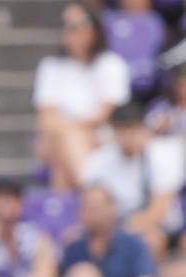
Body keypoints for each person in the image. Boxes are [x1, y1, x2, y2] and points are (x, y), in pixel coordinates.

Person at [34, 2, 130, 190]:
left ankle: (74, 202)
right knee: (64, 139)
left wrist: (72, 129)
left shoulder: (112, 64)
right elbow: (45, 115)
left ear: (94, 29)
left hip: (102, 134)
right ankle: (90, 193)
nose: (70, 32)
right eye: (66, 26)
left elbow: (105, 114)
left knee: (63, 154)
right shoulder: (51, 65)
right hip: (59, 135)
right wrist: (71, 130)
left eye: (77, 25)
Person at [79, 102, 185, 259]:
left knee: (150, 240)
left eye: (132, 129)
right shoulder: (98, 161)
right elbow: (88, 202)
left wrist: (121, 231)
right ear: (113, 131)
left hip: (153, 227)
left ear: (142, 129)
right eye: (122, 130)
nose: (128, 136)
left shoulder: (160, 156)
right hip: (110, 226)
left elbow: (159, 210)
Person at [59, 185, 157, 277]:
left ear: (112, 208)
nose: (93, 213)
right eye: (87, 208)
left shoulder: (133, 244)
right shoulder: (74, 248)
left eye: (97, 207)